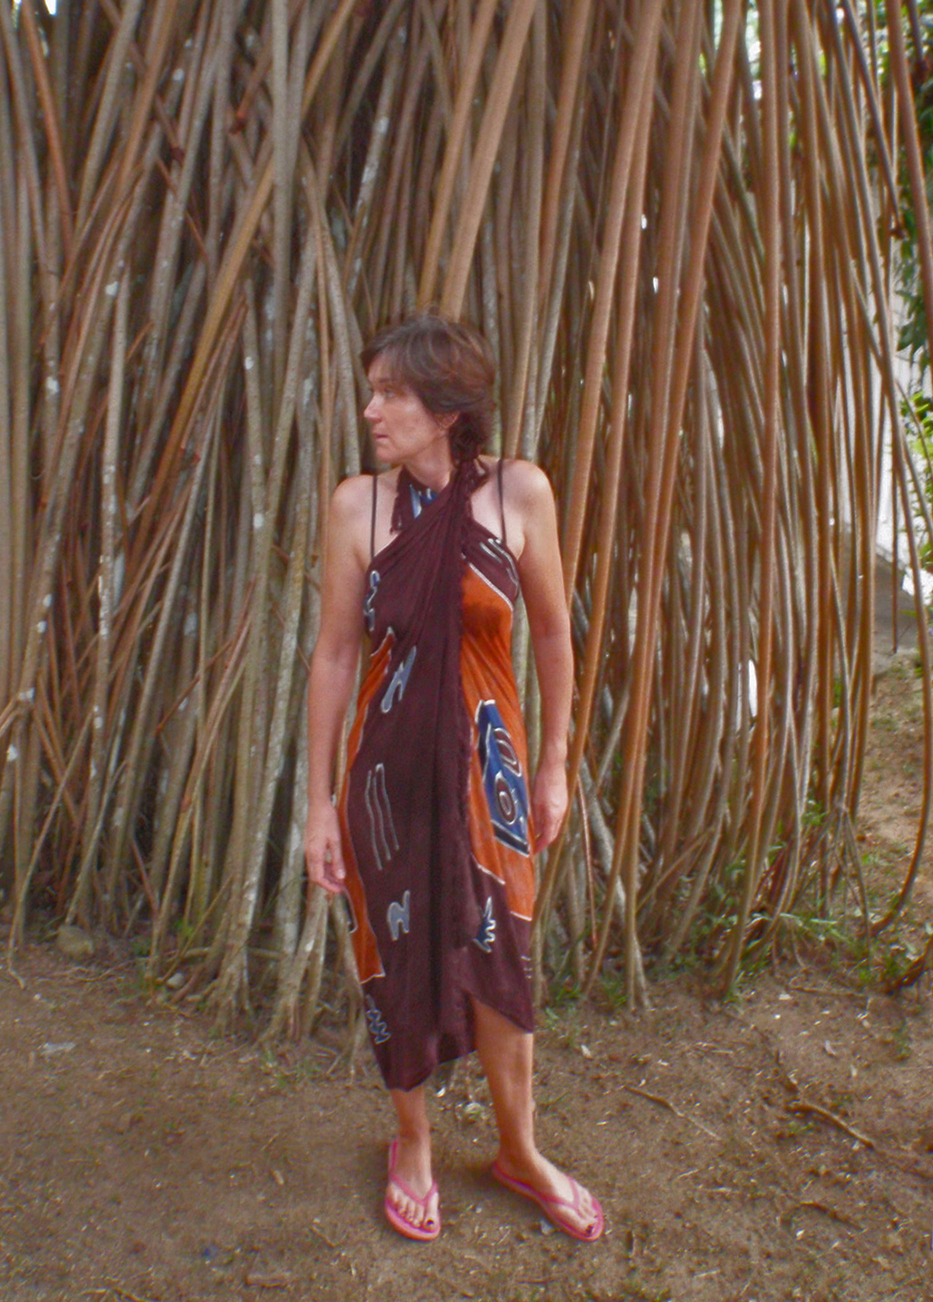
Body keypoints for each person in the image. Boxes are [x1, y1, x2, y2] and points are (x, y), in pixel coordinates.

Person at [304, 313, 603, 1244]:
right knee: (392, 956)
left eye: (390, 392)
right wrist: (318, 802)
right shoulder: (358, 507)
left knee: (501, 952)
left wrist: (554, 762)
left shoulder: (520, 493)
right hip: (385, 785)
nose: (370, 409)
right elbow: (335, 653)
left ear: (445, 409)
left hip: (490, 777)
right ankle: (414, 1141)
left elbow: (551, 632)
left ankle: (520, 1148)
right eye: (372, 390)